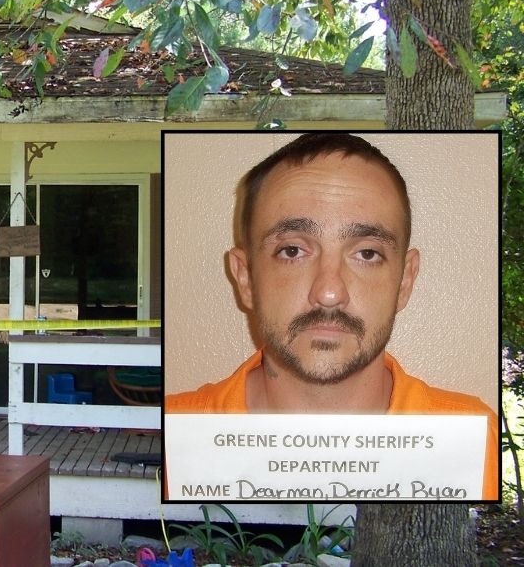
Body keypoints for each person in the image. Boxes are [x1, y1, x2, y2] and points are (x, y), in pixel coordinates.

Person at [164, 133, 499, 500]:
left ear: (404, 281)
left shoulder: (475, 445)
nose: (329, 292)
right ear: (245, 278)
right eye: (292, 250)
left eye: (367, 254)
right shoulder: (173, 437)